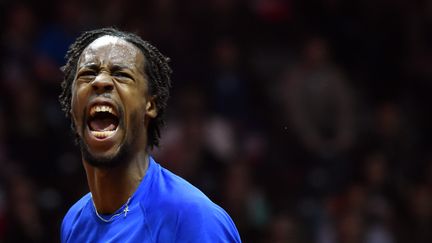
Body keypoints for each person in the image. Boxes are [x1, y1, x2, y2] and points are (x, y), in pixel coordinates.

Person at [59, 27, 241, 242]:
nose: (100, 82)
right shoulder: (74, 222)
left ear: (150, 105)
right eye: (88, 74)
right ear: (72, 108)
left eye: (121, 74)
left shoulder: (193, 218)